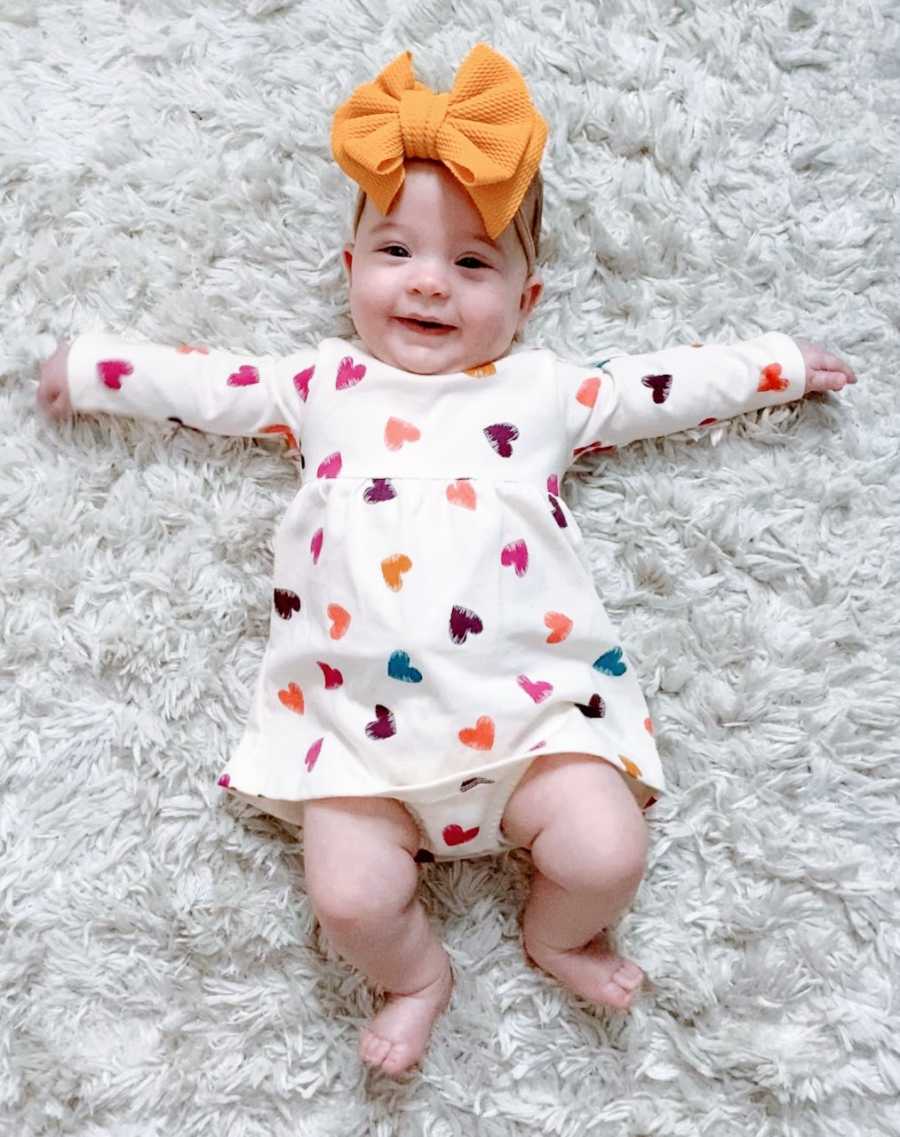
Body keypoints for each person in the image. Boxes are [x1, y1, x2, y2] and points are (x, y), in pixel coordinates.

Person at [36, 43, 857, 1079]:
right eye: (396, 253)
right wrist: (100, 369)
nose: (429, 284)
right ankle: (416, 978)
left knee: (606, 851)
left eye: (473, 264)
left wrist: (773, 366)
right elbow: (210, 385)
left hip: (531, 720)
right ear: (349, 273)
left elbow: (660, 389)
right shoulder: (324, 384)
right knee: (349, 896)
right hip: (358, 736)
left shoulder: (544, 392)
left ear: (528, 297)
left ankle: (556, 934)